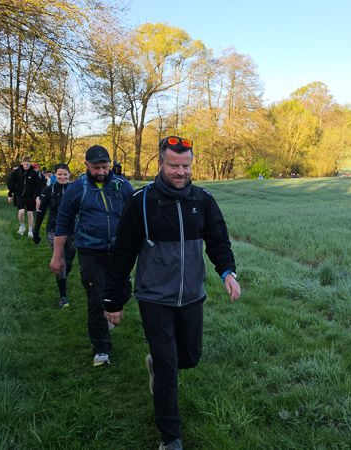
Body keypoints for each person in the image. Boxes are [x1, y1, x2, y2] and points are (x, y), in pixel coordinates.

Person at [103, 136, 240, 450]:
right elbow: (122, 253)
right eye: (174, 165)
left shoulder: (203, 200)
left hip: (191, 295)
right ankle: (170, 438)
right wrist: (113, 299)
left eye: (186, 166)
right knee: (168, 368)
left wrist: (227, 272)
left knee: (189, 357)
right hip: (154, 298)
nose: (181, 172)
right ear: (161, 163)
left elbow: (218, 240)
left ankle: (157, 362)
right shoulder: (141, 202)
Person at [51, 145, 134, 366]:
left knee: (124, 291)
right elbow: (63, 223)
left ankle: (110, 312)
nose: (101, 171)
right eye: (96, 167)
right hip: (90, 251)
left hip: (119, 251)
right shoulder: (77, 189)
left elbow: (135, 214)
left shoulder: (122, 185)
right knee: (96, 298)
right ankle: (101, 349)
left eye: (104, 167)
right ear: (86, 165)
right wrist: (57, 256)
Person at [33, 163, 76, 308]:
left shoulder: (75, 190)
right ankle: (63, 296)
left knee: (69, 261)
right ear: (55, 175)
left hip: (72, 230)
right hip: (54, 230)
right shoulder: (48, 190)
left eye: (65, 174)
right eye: (59, 174)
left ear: (69, 175)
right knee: (60, 262)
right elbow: (41, 212)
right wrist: (36, 231)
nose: (62, 177)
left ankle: (63, 277)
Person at [7, 156, 43, 238]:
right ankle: (22, 226)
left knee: (30, 213)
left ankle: (30, 230)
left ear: (30, 164)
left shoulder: (34, 173)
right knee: (21, 212)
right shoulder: (17, 172)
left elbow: (38, 186)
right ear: (22, 164)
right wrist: (10, 194)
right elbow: (11, 183)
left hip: (31, 196)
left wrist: (38, 196)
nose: (26, 166)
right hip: (19, 195)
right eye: (25, 164)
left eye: (28, 164)